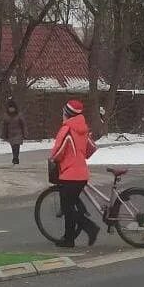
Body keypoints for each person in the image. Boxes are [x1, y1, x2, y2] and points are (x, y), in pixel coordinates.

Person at [49, 99, 100, 248]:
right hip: (82, 174)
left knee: (67, 208)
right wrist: (79, 155)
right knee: (70, 206)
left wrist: (54, 158)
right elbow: (91, 148)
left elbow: (58, 152)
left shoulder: (67, 129)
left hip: (69, 175)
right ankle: (68, 239)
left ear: (67, 113)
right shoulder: (83, 128)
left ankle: (90, 228)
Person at [1, 99, 27, 165]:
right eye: (10, 108)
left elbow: (23, 124)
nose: (11, 109)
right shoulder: (6, 116)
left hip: (18, 133)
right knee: (13, 146)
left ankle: (15, 158)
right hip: (10, 133)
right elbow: (4, 125)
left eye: (12, 108)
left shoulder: (19, 115)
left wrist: (25, 133)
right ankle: (15, 157)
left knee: (16, 145)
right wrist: (4, 133)